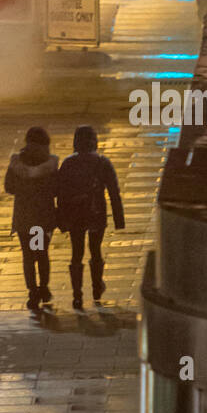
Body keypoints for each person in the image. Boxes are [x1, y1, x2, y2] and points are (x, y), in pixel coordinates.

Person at [57, 126, 125, 310]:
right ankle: (96, 288)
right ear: (95, 141)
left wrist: (61, 219)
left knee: (76, 252)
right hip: (96, 212)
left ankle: (77, 295)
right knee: (95, 249)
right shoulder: (103, 162)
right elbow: (113, 192)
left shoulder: (68, 163)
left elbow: (60, 193)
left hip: (75, 214)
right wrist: (119, 220)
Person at [4, 127, 58, 311]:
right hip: (41, 217)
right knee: (41, 253)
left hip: (24, 218)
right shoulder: (49, 164)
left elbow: (9, 187)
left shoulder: (17, 163)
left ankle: (32, 291)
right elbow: (56, 189)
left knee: (28, 255)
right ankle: (44, 288)